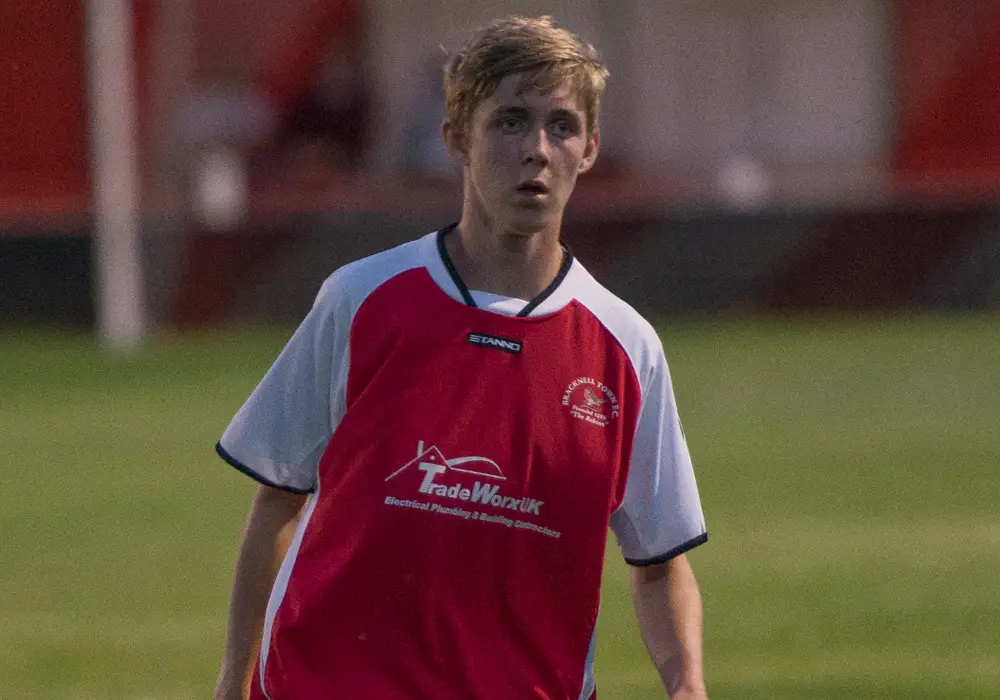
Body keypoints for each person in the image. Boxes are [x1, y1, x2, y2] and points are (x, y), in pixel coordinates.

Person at [212, 15, 708, 700]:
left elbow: (659, 563)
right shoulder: (362, 299)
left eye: (560, 125)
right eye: (509, 121)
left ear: (590, 147)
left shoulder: (627, 348)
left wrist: (687, 686)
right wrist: (233, 681)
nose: (536, 149)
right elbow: (277, 499)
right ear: (456, 141)